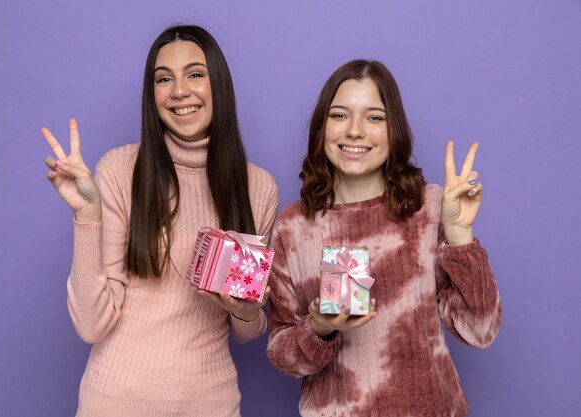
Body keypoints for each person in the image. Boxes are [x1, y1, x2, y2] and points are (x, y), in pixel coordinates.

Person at [42, 25, 278, 417]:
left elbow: (246, 331)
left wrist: (246, 309)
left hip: (211, 403)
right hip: (115, 403)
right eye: (163, 78)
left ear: (218, 83)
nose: (179, 90)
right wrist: (87, 217)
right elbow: (90, 325)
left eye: (195, 74)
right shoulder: (120, 170)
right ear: (152, 95)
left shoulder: (257, 187)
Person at [266, 60, 501, 417]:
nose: (356, 131)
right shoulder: (293, 226)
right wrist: (320, 327)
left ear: (395, 130)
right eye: (340, 116)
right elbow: (283, 357)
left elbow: (480, 331)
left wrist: (460, 237)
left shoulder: (430, 207)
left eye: (374, 118)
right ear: (321, 127)